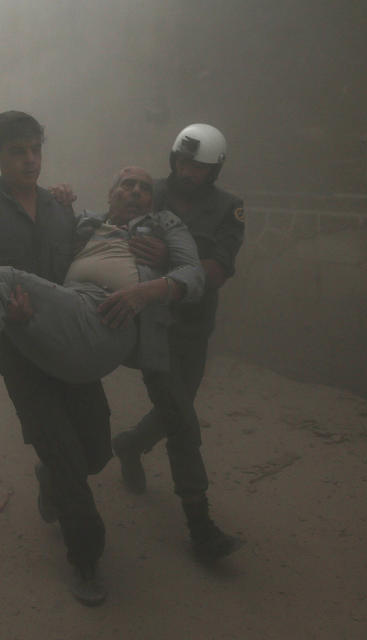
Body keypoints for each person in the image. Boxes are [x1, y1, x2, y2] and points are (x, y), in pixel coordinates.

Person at [0, 159, 202, 605]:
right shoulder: (2, 211)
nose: (133, 192)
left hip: (95, 325)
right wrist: (63, 207)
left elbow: (195, 275)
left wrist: (146, 290)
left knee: (94, 452)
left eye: (143, 188)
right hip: (41, 335)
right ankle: (86, 560)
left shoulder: (159, 226)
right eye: (125, 185)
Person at [110, 123, 246, 561]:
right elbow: (110, 224)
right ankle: (200, 526)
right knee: (182, 421)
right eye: (185, 163)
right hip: (150, 322)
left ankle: (130, 444)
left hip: (192, 326)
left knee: (179, 405)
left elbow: (220, 269)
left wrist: (175, 260)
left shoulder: (229, 208)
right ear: (174, 160)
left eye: (201, 167)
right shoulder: (151, 190)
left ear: (215, 170)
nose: (191, 172)